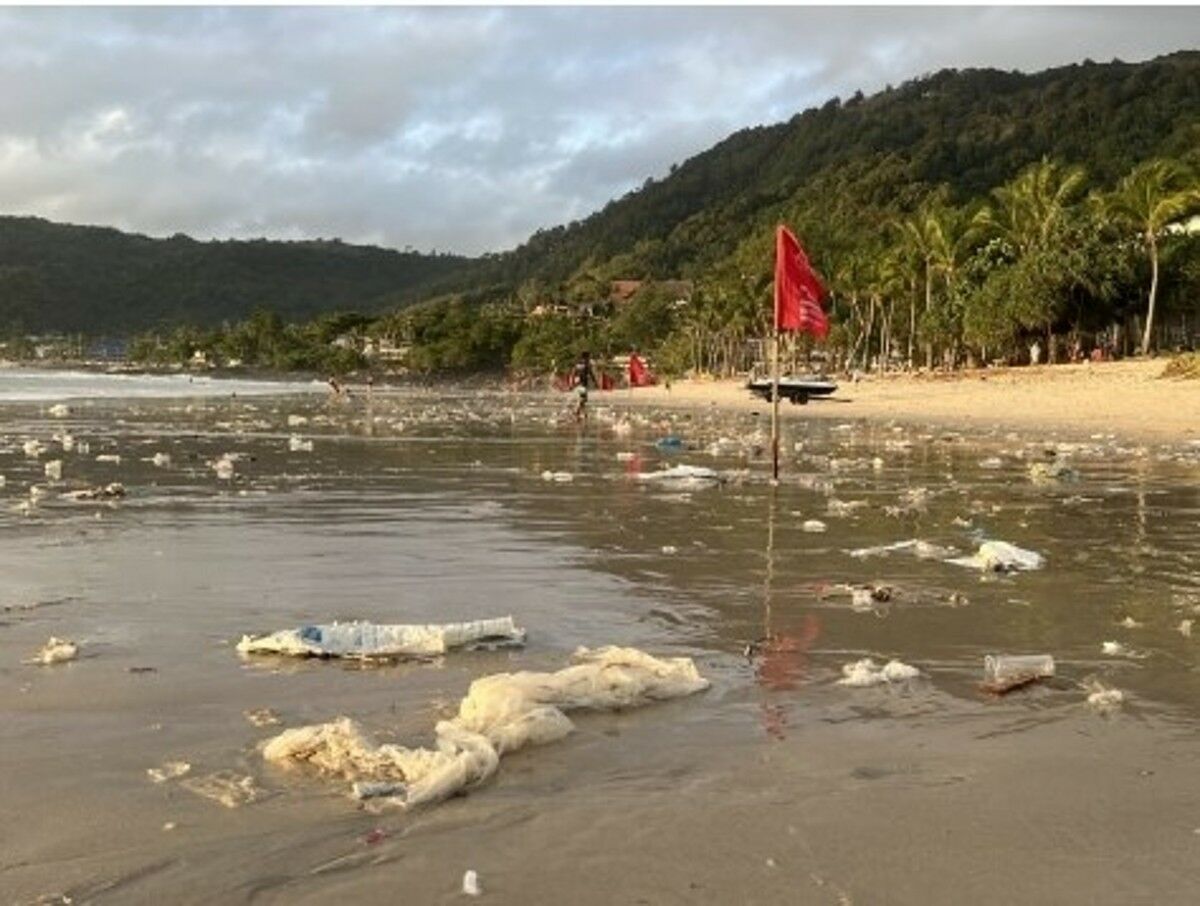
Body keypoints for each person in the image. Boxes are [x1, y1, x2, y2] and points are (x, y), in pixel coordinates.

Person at [570, 350, 598, 422]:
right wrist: (595, 382)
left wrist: (572, 383)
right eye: (589, 357)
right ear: (586, 357)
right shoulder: (586, 365)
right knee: (583, 399)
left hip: (578, 384)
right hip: (582, 384)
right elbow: (591, 374)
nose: (589, 358)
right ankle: (576, 411)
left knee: (583, 398)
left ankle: (583, 414)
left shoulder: (578, 365)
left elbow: (572, 374)